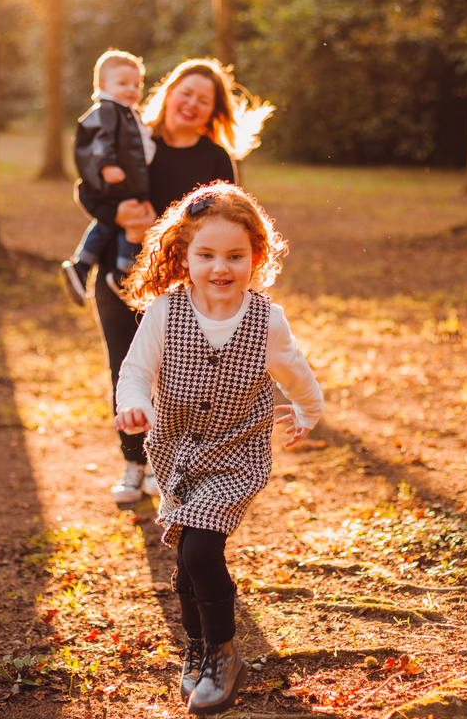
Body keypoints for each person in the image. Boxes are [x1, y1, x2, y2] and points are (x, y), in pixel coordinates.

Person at [114, 183, 323, 715]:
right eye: (206, 255)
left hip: (237, 458)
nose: (220, 268)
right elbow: (135, 371)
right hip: (176, 458)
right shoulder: (165, 311)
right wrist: (135, 404)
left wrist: (306, 413)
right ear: (183, 256)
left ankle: (224, 654)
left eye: (235, 255)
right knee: (185, 561)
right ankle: (197, 648)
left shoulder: (266, 320)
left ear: (257, 255)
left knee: (202, 551)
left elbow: (297, 374)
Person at [77, 59, 273, 505]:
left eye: (204, 101)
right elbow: (89, 187)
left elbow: (225, 222)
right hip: (117, 272)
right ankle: (132, 464)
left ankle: (163, 465)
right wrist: (116, 215)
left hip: (180, 284)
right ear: (168, 92)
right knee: (124, 365)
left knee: (171, 376)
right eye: (187, 92)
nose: (192, 104)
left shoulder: (213, 158)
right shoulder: (132, 136)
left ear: (212, 112)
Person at [61, 50, 156, 305]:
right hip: (118, 183)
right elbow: (100, 138)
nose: (131, 89)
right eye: (123, 84)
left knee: (123, 224)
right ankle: (109, 271)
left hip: (131, 184)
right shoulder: (107, 110)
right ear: (102, 86)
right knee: (113, 224)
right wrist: (106, 165)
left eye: (136, 85)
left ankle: (95, 269)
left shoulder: (128, 113)